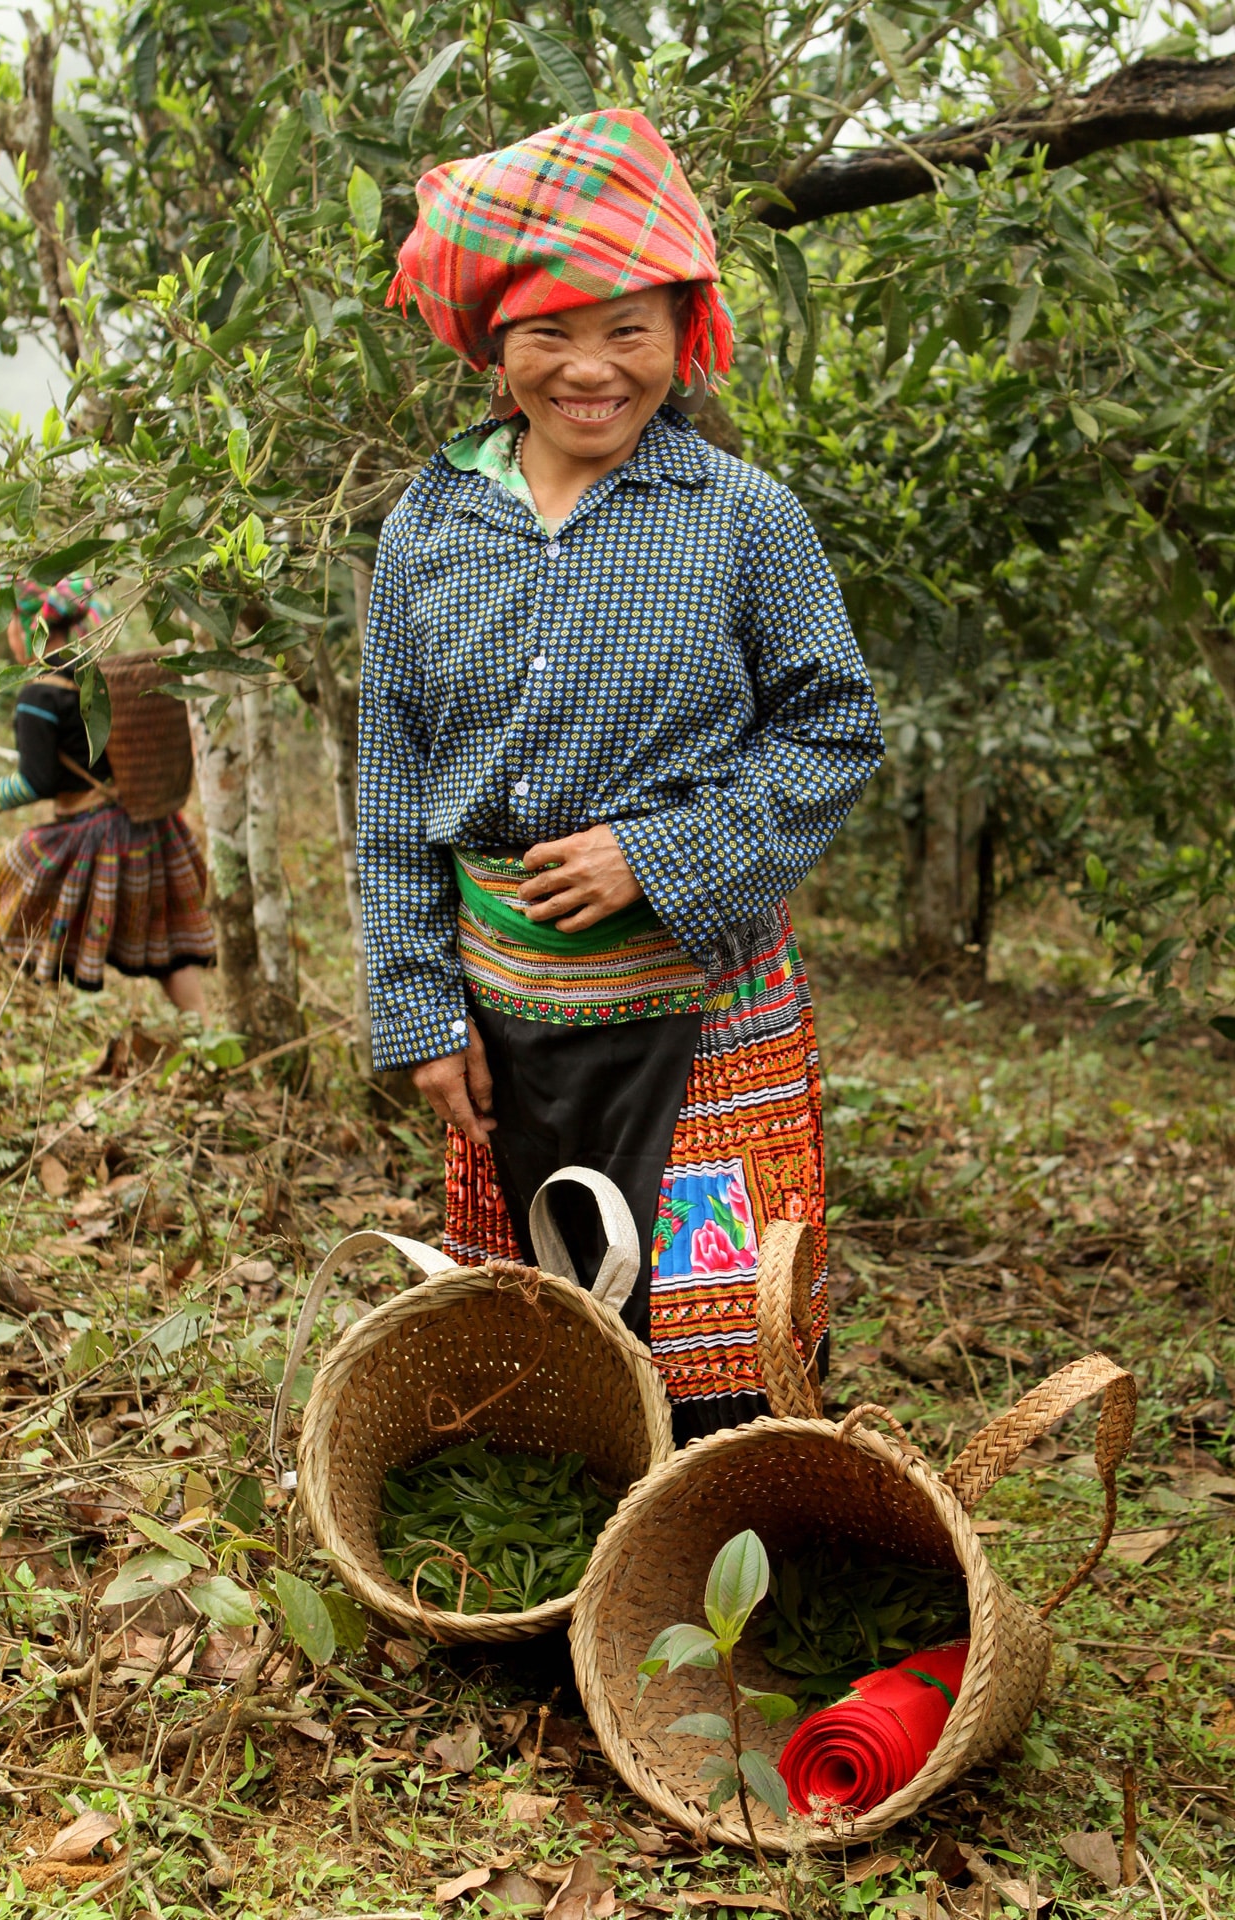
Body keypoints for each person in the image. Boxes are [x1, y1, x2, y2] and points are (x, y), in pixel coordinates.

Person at [359, 109, 884, 1442]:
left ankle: (715, 1572)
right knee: (545, 1334)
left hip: (706, 1020)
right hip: (508, 1025)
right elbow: (393, 775)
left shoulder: (743, 518)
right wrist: (420, 1009)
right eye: (551, 332)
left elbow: (835, 727)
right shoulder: (432, 523)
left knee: (716, 1344)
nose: (591, 369)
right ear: (495, 345)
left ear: (683, 335)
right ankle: (568, 1589)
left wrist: (659, 854)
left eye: (629, 329)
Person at [0, 576, 215, 1010]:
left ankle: (39, 1018)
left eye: (13, 629)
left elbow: (35, 783)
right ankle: (206, 1033)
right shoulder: (93, 674)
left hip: (97, 833)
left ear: (27, 628)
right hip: (145, 826)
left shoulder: (38, 695)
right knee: (166, 952)